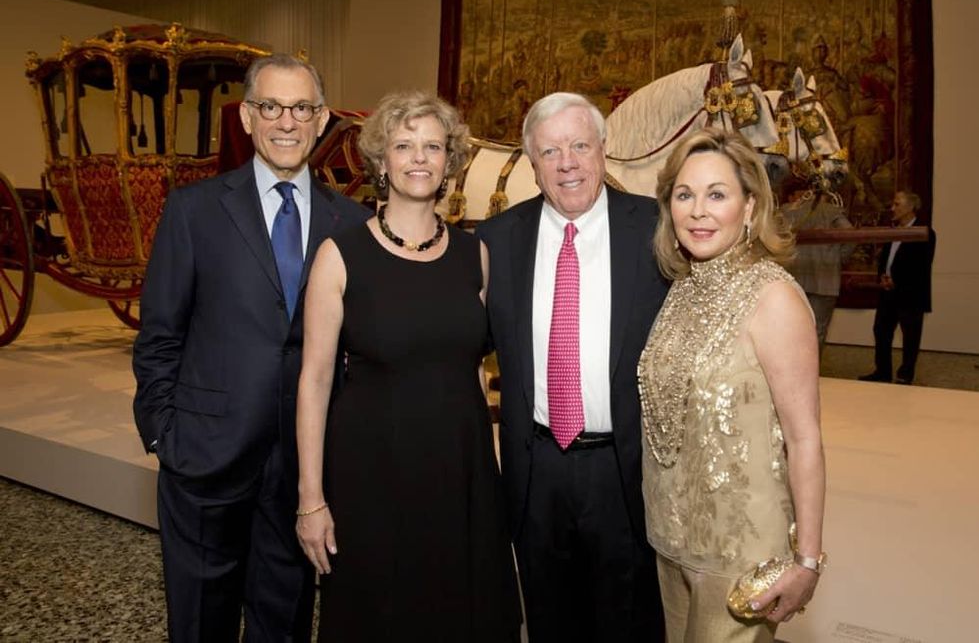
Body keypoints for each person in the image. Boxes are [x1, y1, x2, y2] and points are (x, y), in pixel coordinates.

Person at [132, 53, 370, 642]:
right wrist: (165, 434)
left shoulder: (352, 223)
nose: (286, 122)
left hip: (305, 466)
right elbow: (159, 335)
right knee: (200, 621)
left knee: (285, 618)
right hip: (205, 455)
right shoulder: (194, 210)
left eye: (302, 108)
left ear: (321, 121)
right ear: (246, 117)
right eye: (271, 107)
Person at [294, 91, 521, 642]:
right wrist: (311, 499)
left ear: (450, 161)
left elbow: (470, 367)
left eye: (433, 146)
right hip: (373, 476)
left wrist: (486, 468)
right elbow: (316, 381)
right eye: (403, 145)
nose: (419, 158)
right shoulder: (340, 255)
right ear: (381, 161)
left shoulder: (475, 255)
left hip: (460, 476)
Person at [477, 92, 668, 642]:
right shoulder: (498, 239)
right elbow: (463, 340)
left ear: (603, 152)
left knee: (628, 619)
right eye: (551, 151)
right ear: (532, 165)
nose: (568, 163)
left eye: (580, 145)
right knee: (548, 617)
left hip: (623, 467)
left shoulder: (656, 230)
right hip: (536, 468)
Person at [638, 128, 827, 642]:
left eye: (716, 194)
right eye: (685, 194)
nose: (698, 210)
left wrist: (807, 561)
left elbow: (804, 437)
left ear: (749, 207)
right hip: (672, 543)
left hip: (741, 559)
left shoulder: (773, 299)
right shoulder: (681, 288)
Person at [859, 190, 936, 384]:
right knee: (881, 330)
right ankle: (882, 371)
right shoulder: (893, 230)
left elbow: (921, 265)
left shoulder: (925, 232)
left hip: (910, 294)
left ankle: (905, 375)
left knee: (910, 335)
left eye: (897, 204)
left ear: (911, 207)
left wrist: (898, 281)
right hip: (888, 293)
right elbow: (885, 259)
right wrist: (882, 277)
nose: (892, 208)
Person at [779, 177, 855, 352]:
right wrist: (838, 258)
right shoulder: (831, 211)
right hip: (826, 281)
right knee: (817, 331)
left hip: (794, 279)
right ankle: (812, 374)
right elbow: (850, 235)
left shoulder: (786, 211)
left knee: (790, 331)